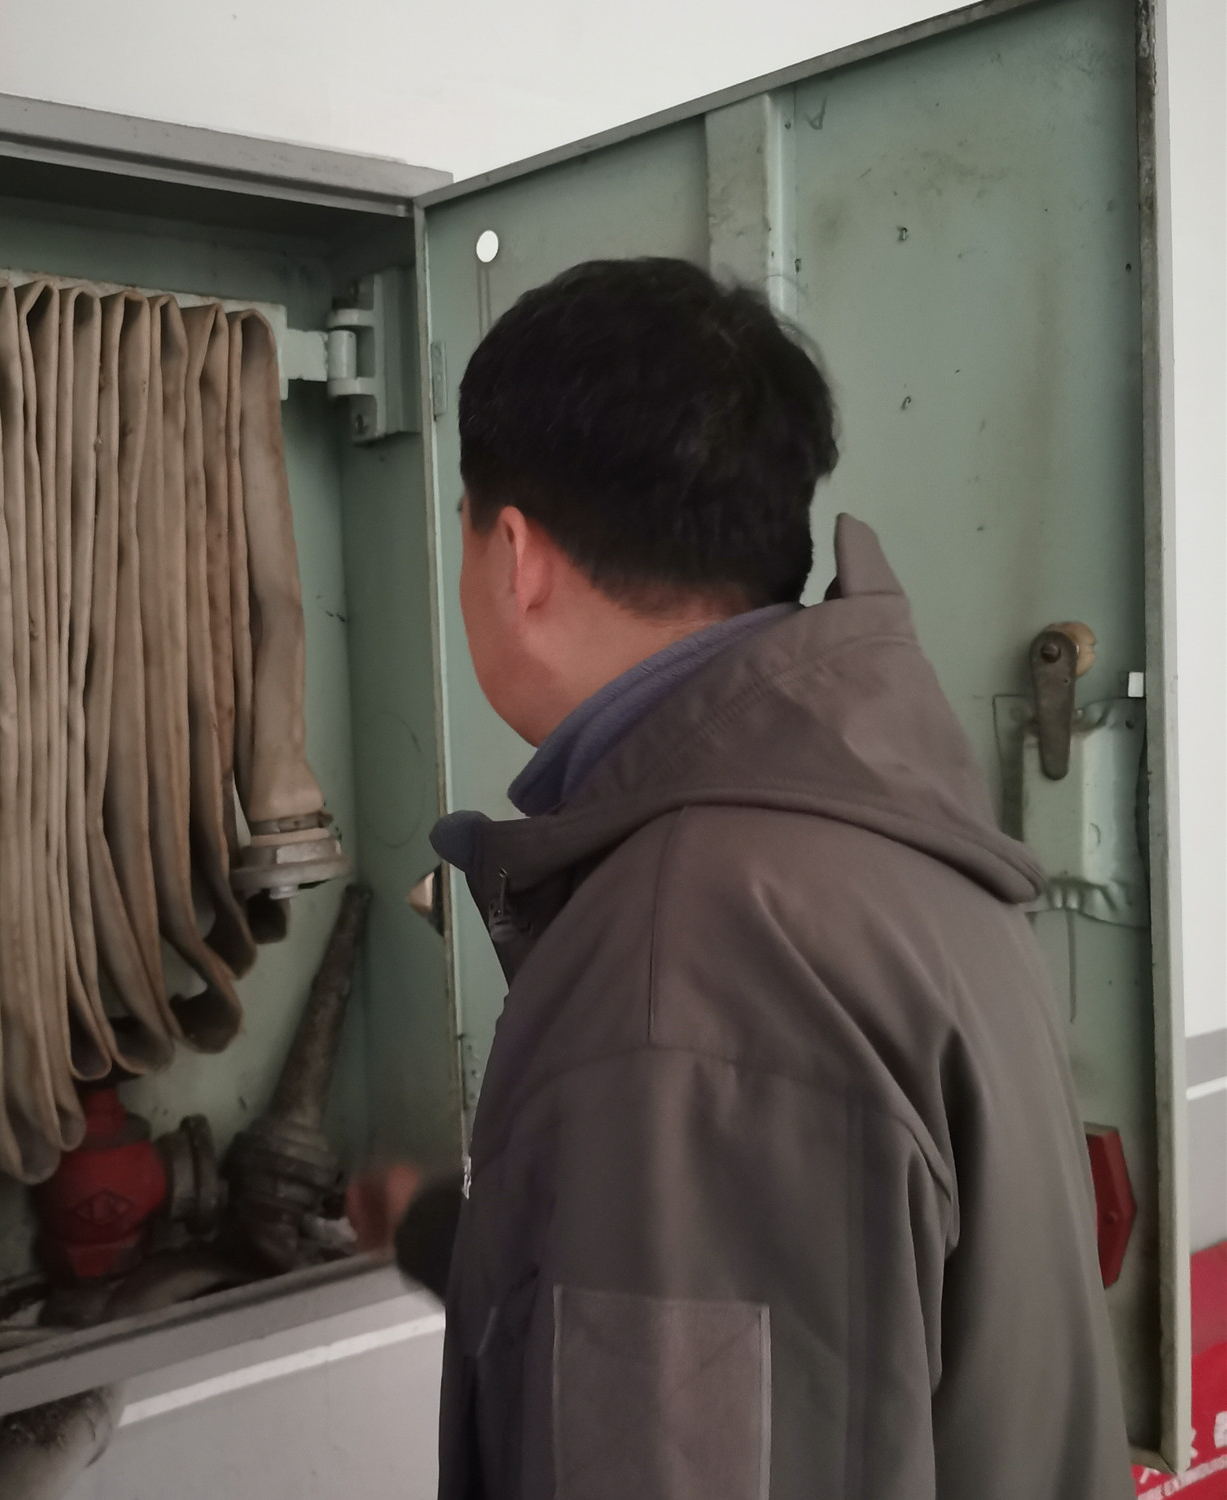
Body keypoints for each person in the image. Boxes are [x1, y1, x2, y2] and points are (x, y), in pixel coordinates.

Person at [346, 258, 1133, 1500]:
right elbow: (772, 1320)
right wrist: (443, 1229)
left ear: (516, 559)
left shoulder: (687, 960)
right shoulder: (880, 839)